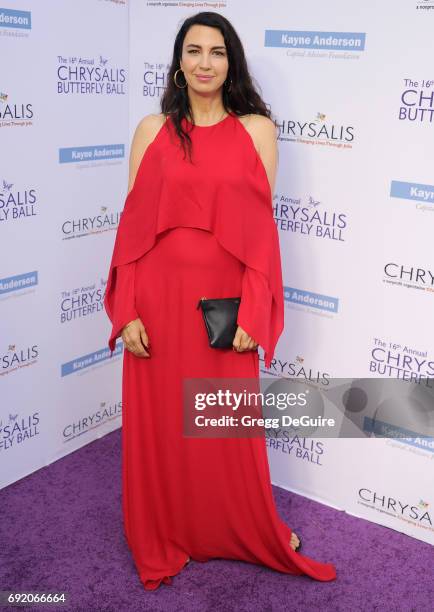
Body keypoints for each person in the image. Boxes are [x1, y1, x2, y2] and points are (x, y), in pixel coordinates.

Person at [104, 11, 337, 590]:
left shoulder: (257, 129)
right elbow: (131, 229)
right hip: (156, 300)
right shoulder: (151, 129)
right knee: (162, 425)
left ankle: (242, 525)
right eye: (193, 51)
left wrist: (255, 310)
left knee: (221, 424)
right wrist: (125, 308)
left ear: (231, 63)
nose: (204, 62)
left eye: (216, 52)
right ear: (179, 63)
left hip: (220, 304)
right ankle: (169, 529)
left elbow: (260, 233)